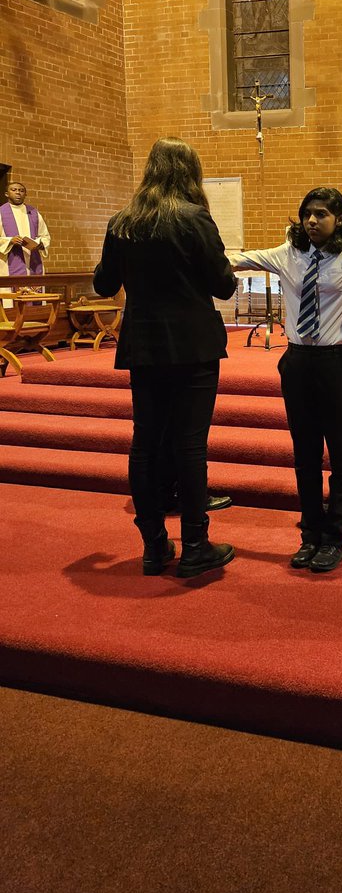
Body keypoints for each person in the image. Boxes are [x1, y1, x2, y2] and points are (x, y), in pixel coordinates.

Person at [93, 138, 237, 579]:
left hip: (145, 345)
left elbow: (103, 285)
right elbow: (224, 285)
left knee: (145, 443)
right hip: (192, 345)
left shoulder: (123, 222)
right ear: (188, 172)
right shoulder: (195, 219)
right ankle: (195, 545)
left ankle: (154, 546)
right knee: (189, 444)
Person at [229, 187, 342, 573]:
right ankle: (310, 533)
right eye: (306, 214)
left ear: (340, 219)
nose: (311, 221)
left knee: (341, 451)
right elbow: (238, 260)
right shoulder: (288, 253)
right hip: (298, 362)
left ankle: (335, 536)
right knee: (305, 454)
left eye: (321, 214)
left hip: (337, 362)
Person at [0, 181, 50, 277]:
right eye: (14, 190)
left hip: (34, 261)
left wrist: (41, 244)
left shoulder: (34, 213)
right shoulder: (1, 213)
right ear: (6, 194)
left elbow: (45, 235)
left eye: (21, 190)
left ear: (25, 194)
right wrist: (10, 241)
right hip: (8, 264)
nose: (18, 192)